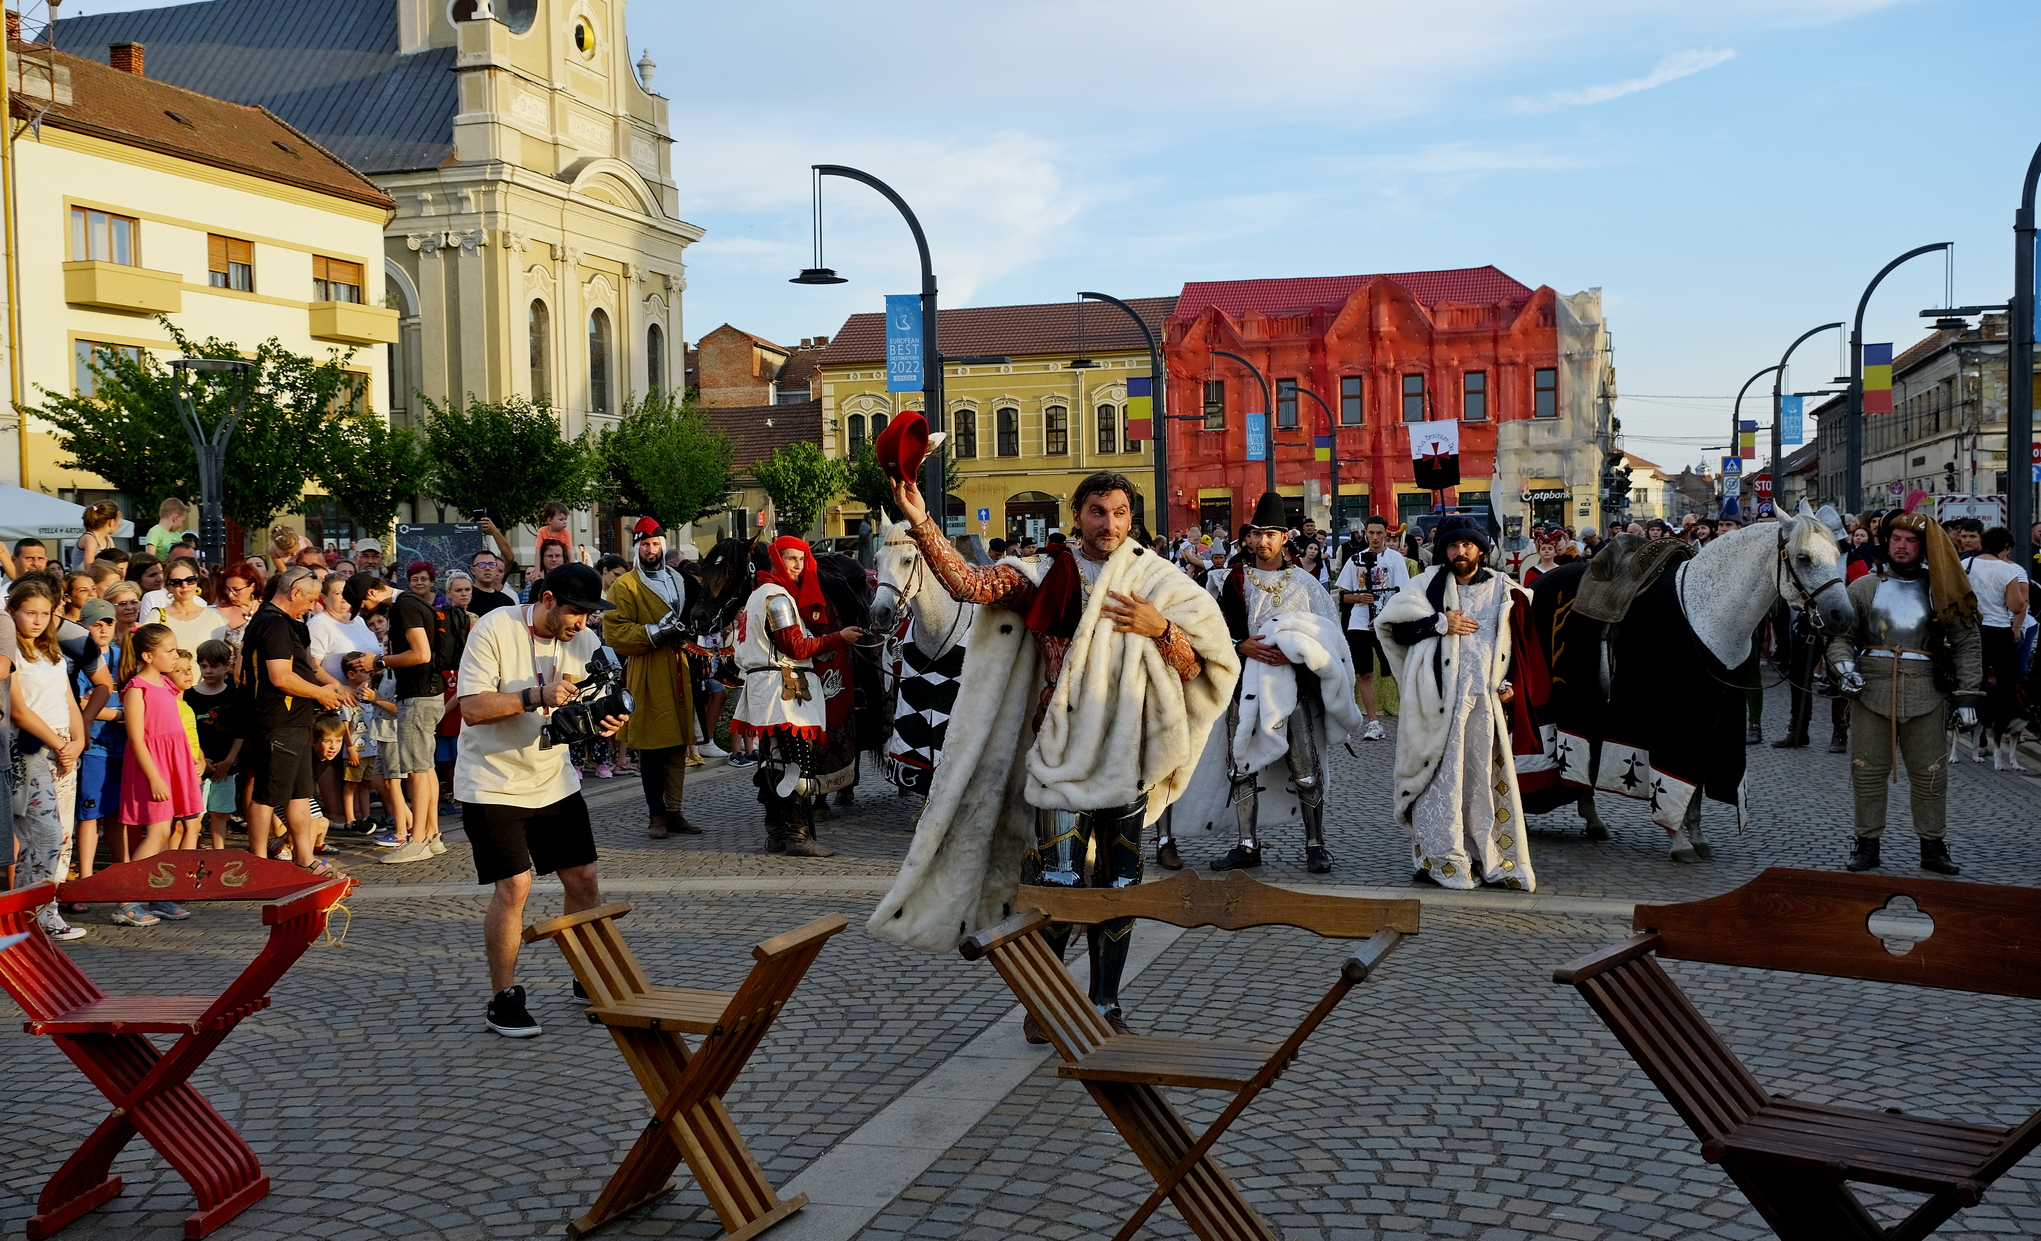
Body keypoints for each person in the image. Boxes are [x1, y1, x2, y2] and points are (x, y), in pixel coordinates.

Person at [873, 459, 1236, 1040]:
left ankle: (1106, 1004)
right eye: (1098, 512)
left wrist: (1161, 629)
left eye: (1120, 513)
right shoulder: (1043, 574)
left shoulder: (1158, 583)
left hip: (1127, 756)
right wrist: (920, 520)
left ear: (1132, 519)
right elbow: (970, 585)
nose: (1109, 523)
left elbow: (1200, 668)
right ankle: (1048, 1001)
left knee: (1120, 883)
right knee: (1059, 880)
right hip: (1058, 752)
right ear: (1077, 515)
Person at [455, 563, 628, 1037]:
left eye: (590, 614)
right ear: (548, 599)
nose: (583, 623)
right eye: (576, 612)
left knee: (584, 877)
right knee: (515, 887)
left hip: (554, 779)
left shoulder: (584, 640)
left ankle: (586, 975)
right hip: (491, 781)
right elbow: (472, 708)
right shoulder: (495, 627)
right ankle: (503, 999)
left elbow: (598, 701)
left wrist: (608, 721)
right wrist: (534, 695)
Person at [1375, 515, 1540, 891]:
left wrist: (1513, 683)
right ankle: (1440, 858)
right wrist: (1439, 623)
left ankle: (1488, 857)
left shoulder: (1505, 590)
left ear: (1480, 549)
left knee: (1480, 782)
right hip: (1437, 704)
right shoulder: (1425, 586)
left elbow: (1523, 645)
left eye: (1467, 544)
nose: (1460, 551)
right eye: (1452, 545)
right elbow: (1393, 629)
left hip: (1484, 705)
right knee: (1439, 782)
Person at [1203, 493, 1356, 875]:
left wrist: (1298, 654)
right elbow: (1212, 631)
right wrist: (1240, 645)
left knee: (1305, 767)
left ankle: (1315, 845)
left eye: (1270, 534)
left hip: (1294, 688)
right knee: (1240, 765)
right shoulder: (1232, 580)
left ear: (1284, 538)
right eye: (1257, 534)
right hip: (1244, 685)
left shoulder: (1305, 584)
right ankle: (1247, 845)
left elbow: (1330, 635)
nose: (1263, 541)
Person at [1828, 513, 1980, 875]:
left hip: (1926, 690)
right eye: (1896, 538)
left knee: (1931, 774)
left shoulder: (1941, 590)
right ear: (1887, 541)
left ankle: (1933, 847)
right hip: (1871, 689)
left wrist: (1968, 695)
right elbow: (1840, 637)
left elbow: (1967, 643)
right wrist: (1845, 669)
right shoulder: (1864, 587)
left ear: (1923, 546)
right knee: (1866, 772)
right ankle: (1867, 844)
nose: (1901, 546)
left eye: (1910, 540)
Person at [732, 535, 862, 857]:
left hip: (767, 689)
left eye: (802, 559)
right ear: (777, 559)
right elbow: (797, 648)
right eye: (791, 558)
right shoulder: (777, 597)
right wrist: (839, 637)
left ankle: (778, 834)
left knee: (774, 763)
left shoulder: (758, 594)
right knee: (797, 768)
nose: (798, 565)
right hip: (783, 691)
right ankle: (797, 836)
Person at [242, 567, 350, 869]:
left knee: (301, 794)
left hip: (298, 720)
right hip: (278, 720)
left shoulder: (291, 623)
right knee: (267, 795)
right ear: (295, 592)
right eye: (312, 599)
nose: (314, 606)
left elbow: (307, 668)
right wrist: (319, 694)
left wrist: (332, 688)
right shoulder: (273, 622)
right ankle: (258, 863)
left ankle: (305, 858)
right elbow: (280, 676)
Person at [605, 517, 704, 839]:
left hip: (679, 667)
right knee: (651, 747)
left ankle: (674, 812)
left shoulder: (679, 579)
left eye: (656, 544)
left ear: (663, 545)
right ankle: (656, 816)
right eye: (645, 544)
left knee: (677, 746)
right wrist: (656, 631)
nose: (651, 549)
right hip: (647, 669)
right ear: (637, 547)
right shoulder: (626, 586)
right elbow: (615, 631)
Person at [9, 577, 89, 940]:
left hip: (65, 747)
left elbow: (68, 699)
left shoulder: (51, 651)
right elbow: (19, 711)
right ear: (13, 611)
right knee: (43, 834)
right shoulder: (10, 651)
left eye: (44, 613)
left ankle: (46, 911)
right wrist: (58, 744)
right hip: (32, 748)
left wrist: (78, 740)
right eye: (30, 613)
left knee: (62, 835)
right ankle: (31, 913)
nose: (38, 621)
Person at [345, 570, 442, 863]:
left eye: (363, 606)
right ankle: (432, 836)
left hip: (418, 695)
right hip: (427, 693)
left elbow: (421, 654)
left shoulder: (404, 606)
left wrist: (378, 662)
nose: (365, 612)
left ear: (372, 592)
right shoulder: (412, 601)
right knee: (425, 768)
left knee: (417, 770)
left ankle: (418, 840)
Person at [117, 623, 202, 921]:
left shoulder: (167, 684)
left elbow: (175, 728)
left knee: (167, 832)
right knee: (158, 832)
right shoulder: (136, 689)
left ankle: (157, 894)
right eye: (170, 651)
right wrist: (154, 776)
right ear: (148, 656)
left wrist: (188, 760)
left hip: (173, 764)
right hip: (152, 767)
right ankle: (126, 898)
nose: (175, 656)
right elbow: (137, 738)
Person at [1333, 514, 1406, 743]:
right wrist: (1358, 598)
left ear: (1385, 534)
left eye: (1379, 533)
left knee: (1395, 671)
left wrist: (1385, 617)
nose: (1375, 537)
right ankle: (1373, 722)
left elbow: (1402, 594)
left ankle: (1407, 720)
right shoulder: (1355, 559)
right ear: (1365, 533)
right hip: (1359, 622)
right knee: (1364, 673)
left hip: (1386, 622)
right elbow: (1343, 595)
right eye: (1371, 533)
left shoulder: (1395, 559)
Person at [1962, 526, 2029, 769]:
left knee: (1976, 680)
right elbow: (2016, 605)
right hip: (1999, 630)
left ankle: (1975, 733)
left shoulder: (1966, 564)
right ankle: (2003, 728)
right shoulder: (2007, 569)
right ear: (2006, 548)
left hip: (1972, 629)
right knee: (2005, 683)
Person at [188, 639, 245, 851]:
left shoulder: (234, 696)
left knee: (220, 813)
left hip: (225, 767)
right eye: (204, 666)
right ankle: (190, 852)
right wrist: (201, 760)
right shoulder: (189, 695)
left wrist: (229, 761)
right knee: (195, 816)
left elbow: (241, 731)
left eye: (214, 666)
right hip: (196, 766)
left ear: (227, 666)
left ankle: (219, 853)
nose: (208, 671)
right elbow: (187, 732)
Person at [148, 561, 226, 652]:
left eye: (190, 580)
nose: (184, 586)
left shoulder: (214, 616)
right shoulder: (157, 616)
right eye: (177, 582)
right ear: (168, 587)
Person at [466, 547, 519, 616]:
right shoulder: (466, 596)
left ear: (496, 569)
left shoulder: (506, 600)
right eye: (482, 565)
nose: (487, 568)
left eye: (491, 564)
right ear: (473, 570)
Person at [73, 502, 121, 570]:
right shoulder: (90, 538)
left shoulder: (109, 540)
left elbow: (113, 562)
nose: (118, 525)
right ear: (112, 522)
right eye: (118, 521)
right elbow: (88, 567)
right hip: (83, 576)